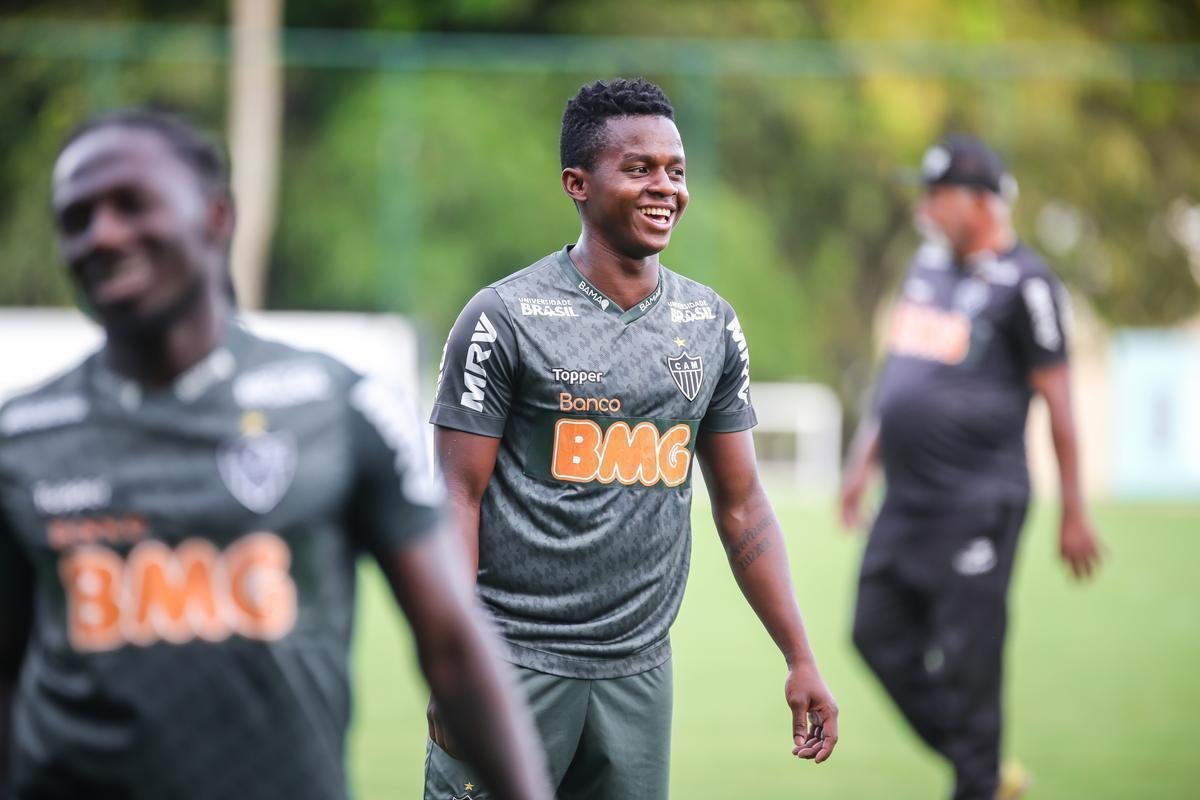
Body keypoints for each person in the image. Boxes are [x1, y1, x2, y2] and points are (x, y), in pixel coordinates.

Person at [0, 108, 553, 800]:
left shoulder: (337, 406)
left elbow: (453, 647)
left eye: (132, 205)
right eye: (76, 218)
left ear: (215, 217)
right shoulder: (22, 439)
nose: (102, 234)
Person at [424, 77, 838, 800]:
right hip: (512, 663)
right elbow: (457, 497)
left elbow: (742, 506)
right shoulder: (503, 317)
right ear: (577, 184)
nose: (665, 188)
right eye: (639, 168)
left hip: (638, 673)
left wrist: (799, 655)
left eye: (676, 171)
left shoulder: (710, 325)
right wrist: (452, 667)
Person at [839, 134, 1104, 800]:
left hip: (978, 503)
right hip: (906, 503)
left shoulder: (1029, 283)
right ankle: (984, 771)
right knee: (873, 633)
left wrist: (1074, 509)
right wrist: (861, 463)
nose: (926, 208)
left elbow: (1059, 400)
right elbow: (898, 376)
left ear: (982, 201)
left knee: (969, 669)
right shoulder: (926, 269)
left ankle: (978, 779)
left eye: (939, 195)